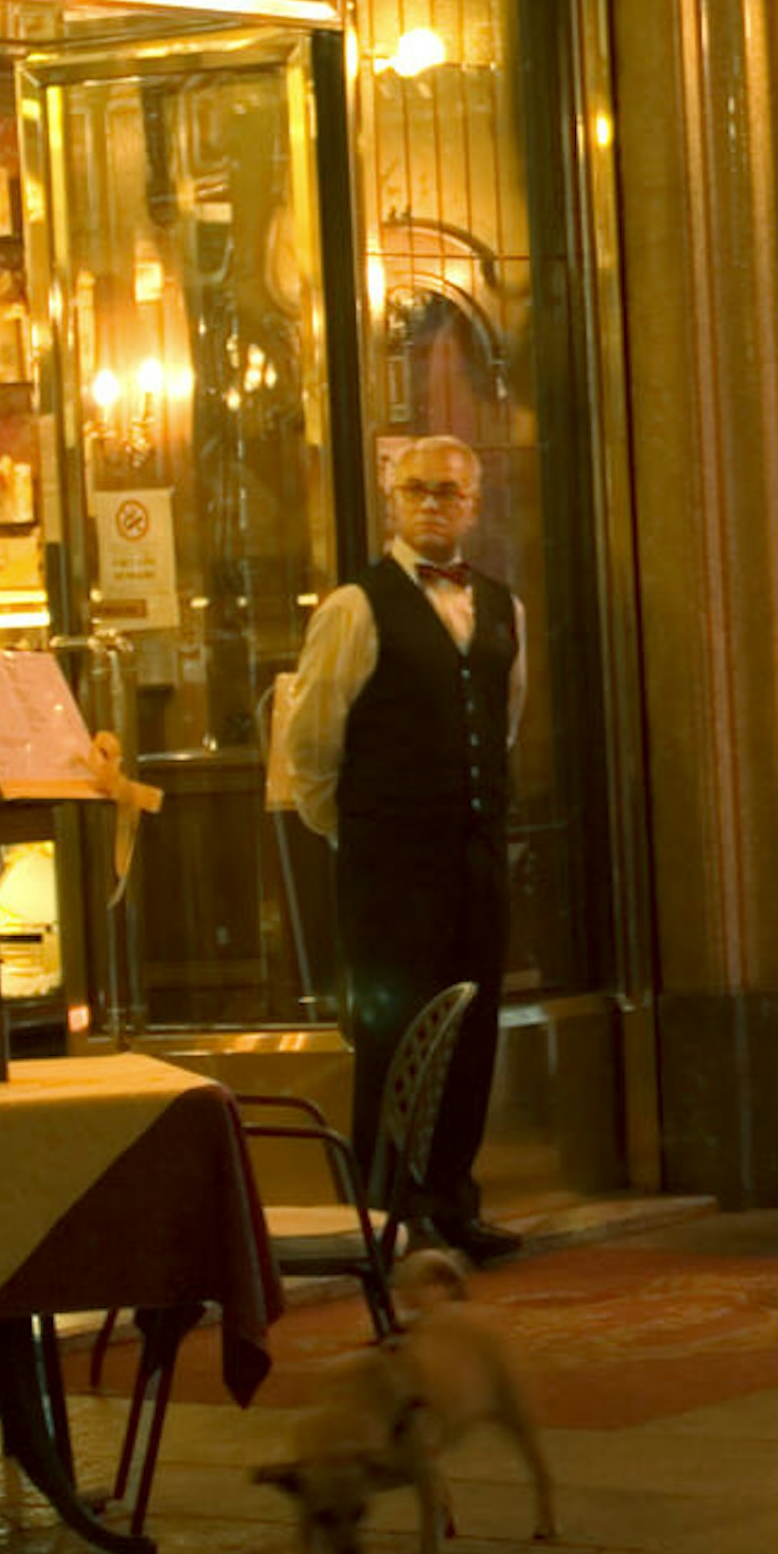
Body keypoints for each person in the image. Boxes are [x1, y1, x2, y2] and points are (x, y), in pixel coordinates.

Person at [286, 434, 526, 1264]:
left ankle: (454, 1200)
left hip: (476, 853)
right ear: (392, 498)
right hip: (390, 860)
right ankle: (388, 1212)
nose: (433, 504)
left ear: (475, 504)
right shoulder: (353, 606)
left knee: (473, 1027)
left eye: (449, 492)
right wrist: (358, 830)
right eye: (418, 489)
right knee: (392, 1033)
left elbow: (504, 722)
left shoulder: (503, 606)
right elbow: (311, 743)